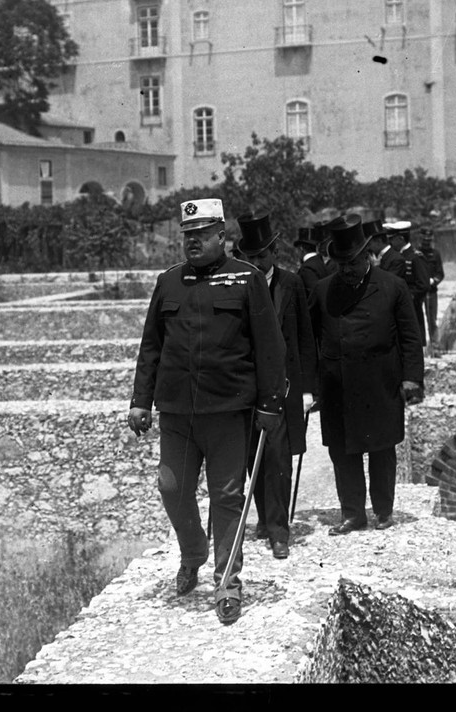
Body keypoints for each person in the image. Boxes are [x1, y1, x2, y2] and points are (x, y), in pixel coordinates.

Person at [129, 198, 287, 625]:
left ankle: (227, 582)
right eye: (187, 236)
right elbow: (151, 347)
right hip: (177, 412)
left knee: (227, 497)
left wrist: (271, 405)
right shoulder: (169, 283)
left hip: (228, 411)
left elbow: (270, 348)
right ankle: (193, 551)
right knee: (170, 487)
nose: (193, 242)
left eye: (201, 235)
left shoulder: (247, 280)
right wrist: (140, 400)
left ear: (223, 236)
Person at [308, 214, 425, 535]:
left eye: (353, 263)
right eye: (341, 264)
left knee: (382, 450)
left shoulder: (393, 287)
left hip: (380, 383)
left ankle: (384, 511)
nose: (346, 270)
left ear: (367, 257)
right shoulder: (321, 291)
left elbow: (410, 336)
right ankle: (353, 514)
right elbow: (307, 339)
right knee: (343, 453)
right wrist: (310, 384)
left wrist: (411, 377)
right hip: (338, 386)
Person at [233, 211, 318, 560]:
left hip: (282, 388)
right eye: (250, 257)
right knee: (255, 458)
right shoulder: (237, 285)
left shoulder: (292, 285)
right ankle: (266, 519)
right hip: (246, 388)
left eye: (261, 257)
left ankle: (279, 531)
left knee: (279, 457)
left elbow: (305, 338)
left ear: (274, 253)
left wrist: (309, 389)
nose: (256, 263)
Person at [382, 219, 431, 345]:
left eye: (392, 239)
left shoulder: (415, 257)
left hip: (412, 307)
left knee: (413, 341)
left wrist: (408, 297)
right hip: (400, 308)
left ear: (400, 239)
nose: (390, 242)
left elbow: (423, 285)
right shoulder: (398, 257)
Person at [417, 227, 445, 343]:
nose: (426, 242)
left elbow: (440, 273)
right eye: (424, 240)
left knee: (432, 320)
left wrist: (434, 280)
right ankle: (421, 347)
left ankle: (435, 346)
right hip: (418, 292)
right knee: (418, 320)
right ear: (420, 239)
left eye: (428, 240)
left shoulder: (435, 254)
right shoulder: (416, 254)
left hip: (431, 292)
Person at [295, 222, 333, 293]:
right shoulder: (320, 264)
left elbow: (314, 295)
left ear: (301, 249)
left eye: (297, 250)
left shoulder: (307, 269)